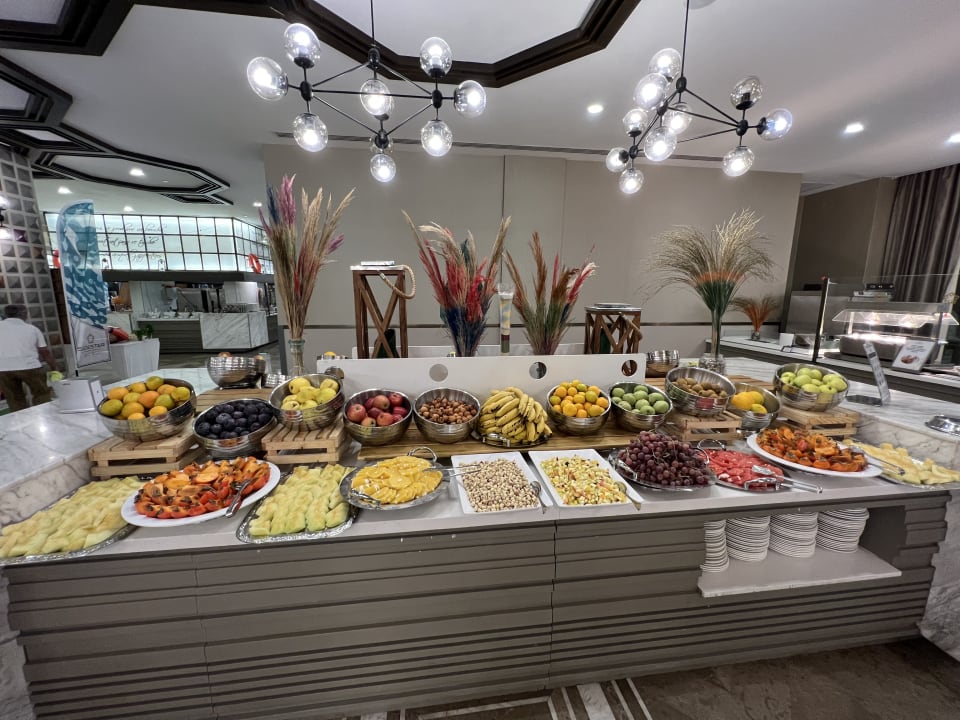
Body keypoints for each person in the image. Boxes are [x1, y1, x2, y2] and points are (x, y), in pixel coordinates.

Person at [0, 305, 59, 412]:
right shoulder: (32, 329)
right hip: (30, 367)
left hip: (4, 369)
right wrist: (54, 368)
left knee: (14, 399)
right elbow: (44, 352)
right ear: (23, 314)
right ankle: (43, 416)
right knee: (42, 393)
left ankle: (21, 420)